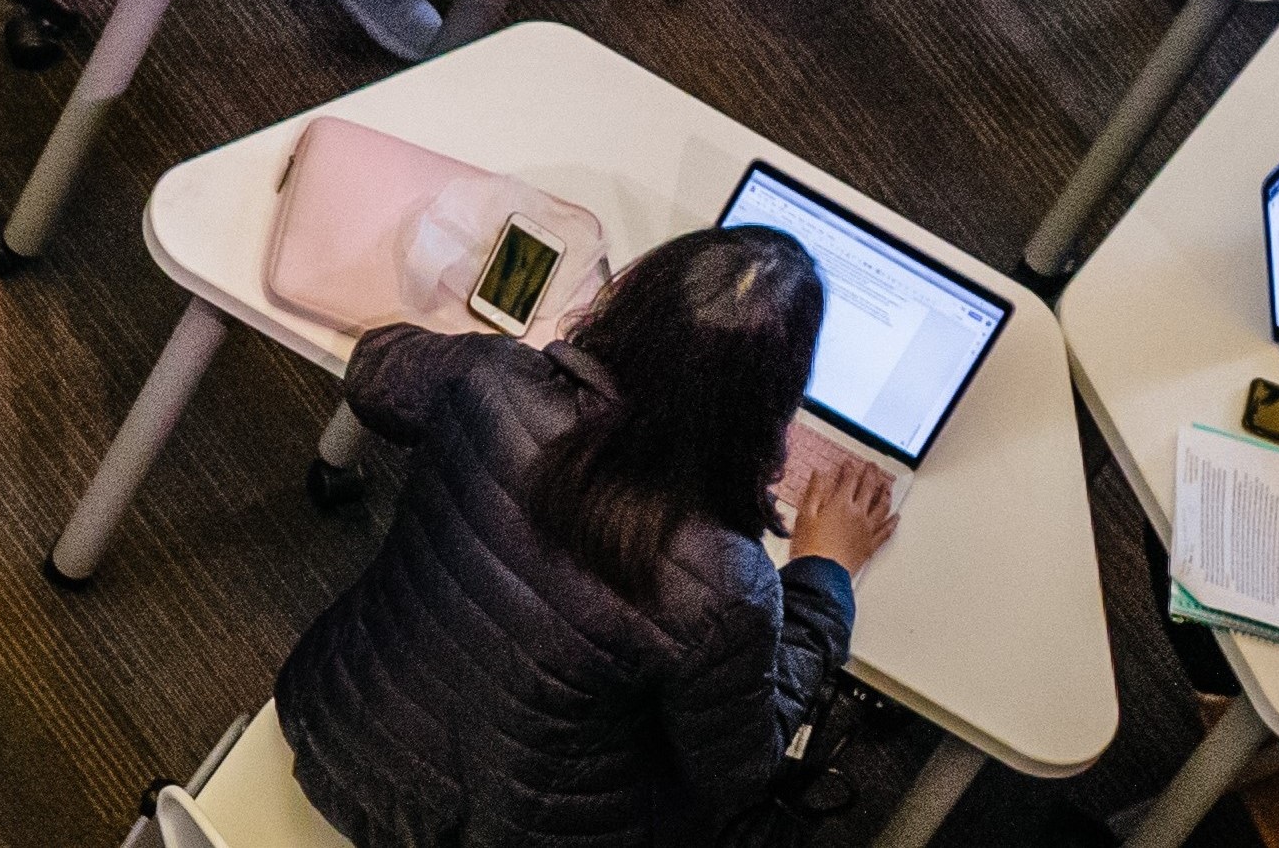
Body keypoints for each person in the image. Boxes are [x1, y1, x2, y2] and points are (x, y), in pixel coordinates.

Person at [271, 227, 902, 847]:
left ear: (628, 301)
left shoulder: (491, 380)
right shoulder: (730, 586)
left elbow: (374, 368)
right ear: (771, 408)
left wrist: (529, 363)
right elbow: (739, 773)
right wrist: (824, 572)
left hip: (328, 715)